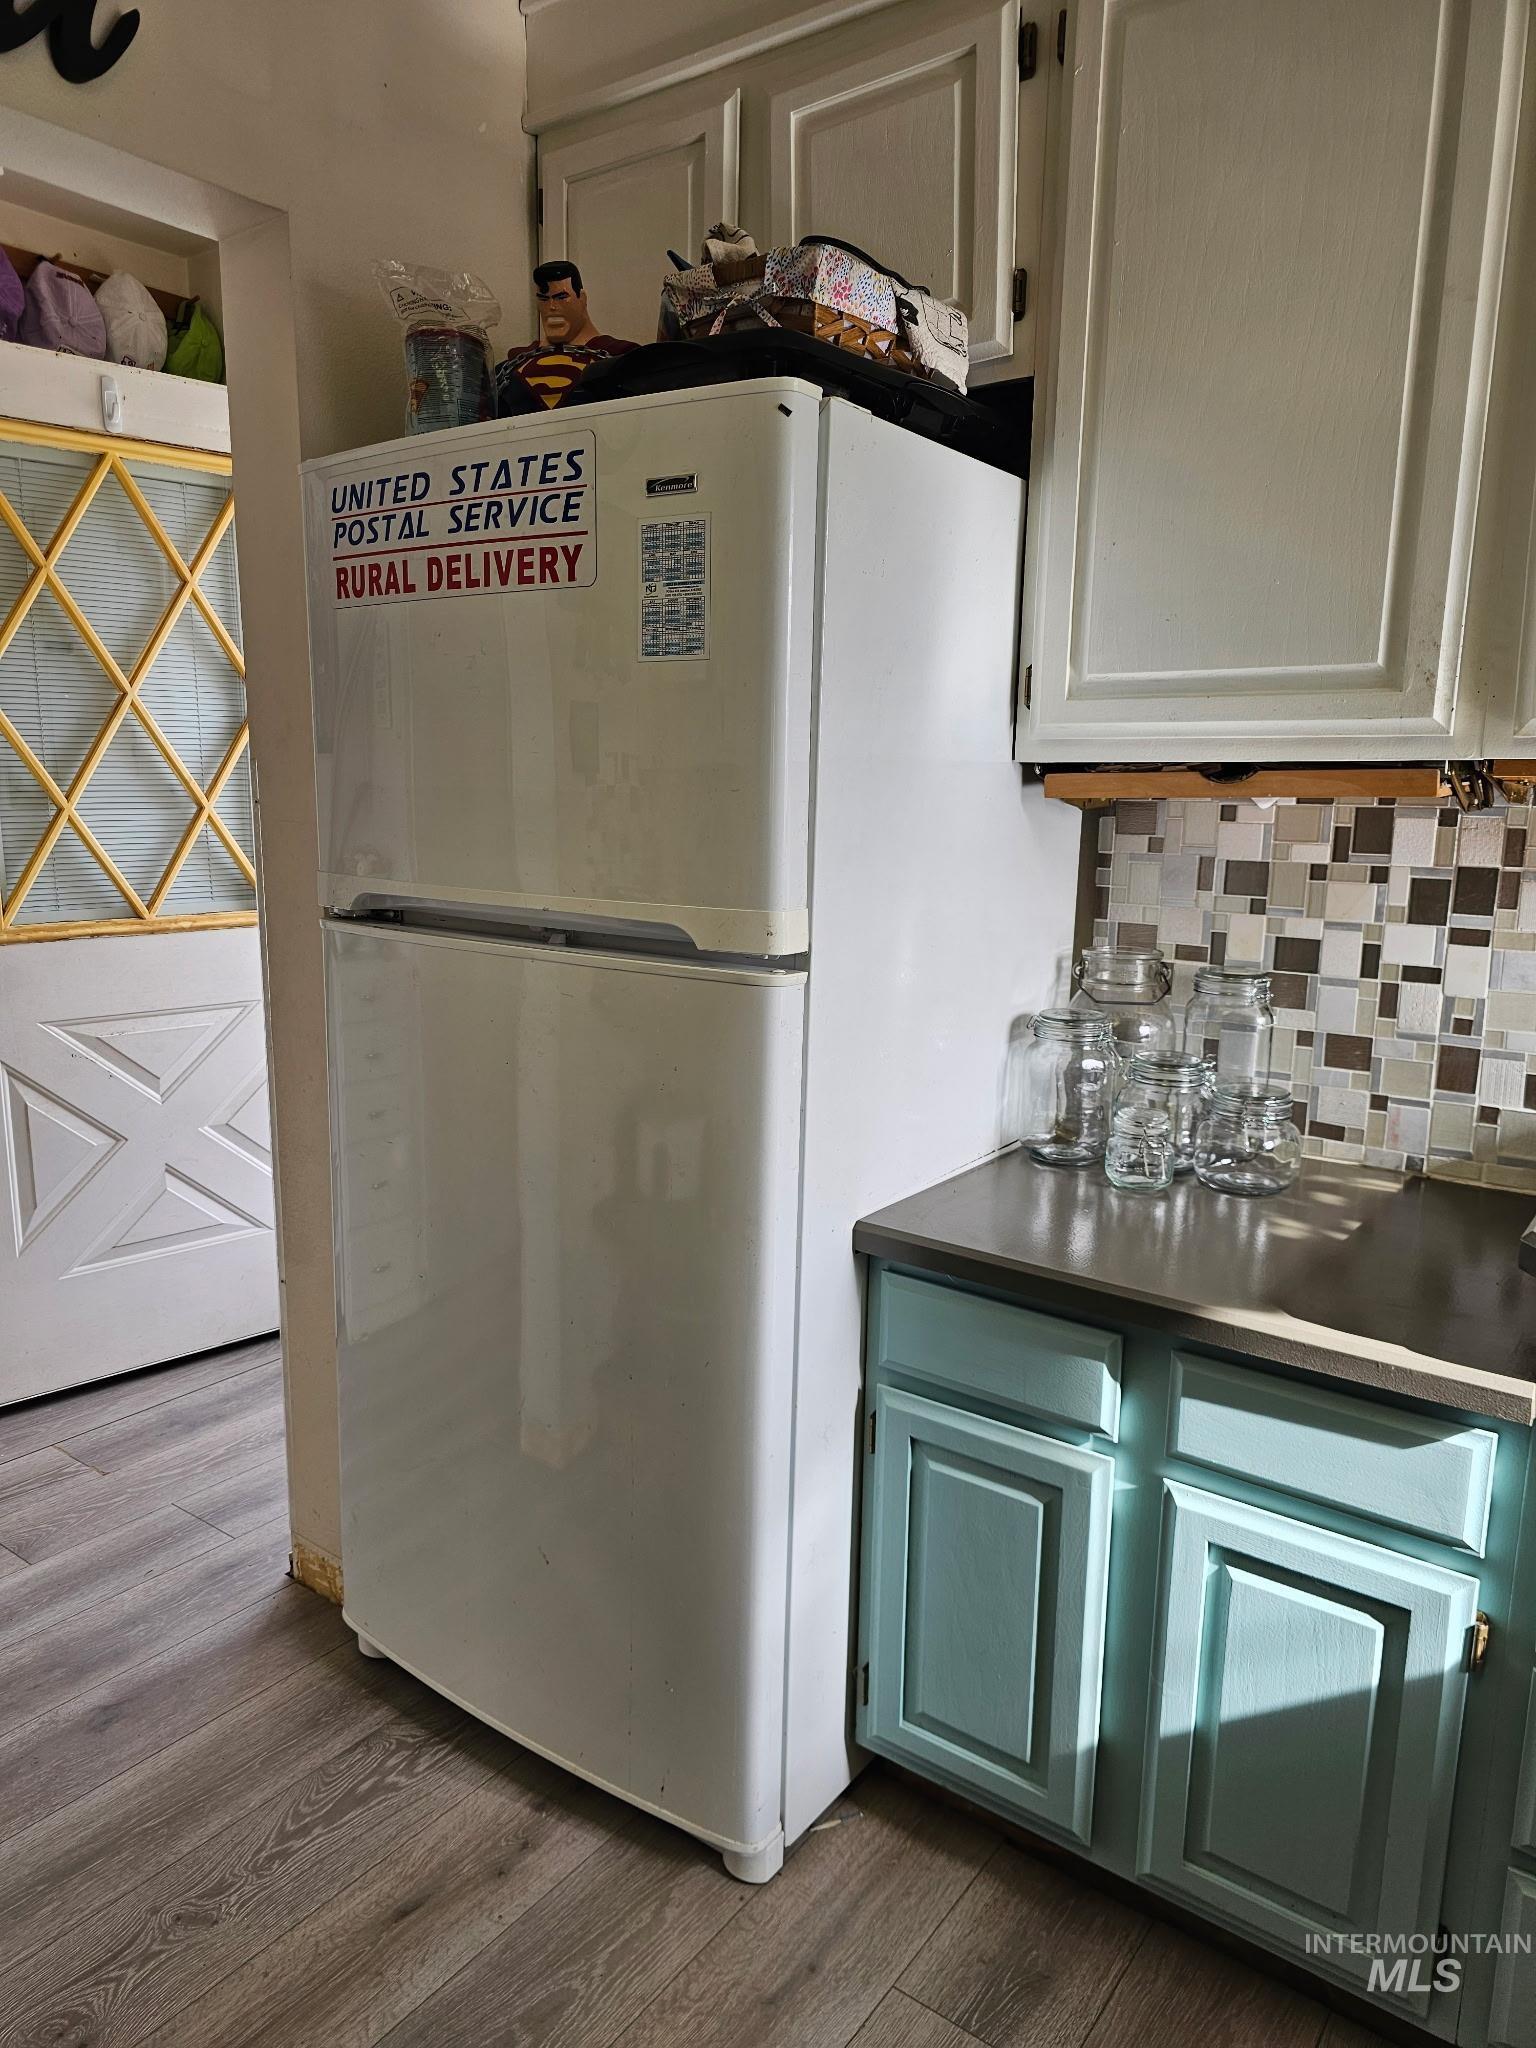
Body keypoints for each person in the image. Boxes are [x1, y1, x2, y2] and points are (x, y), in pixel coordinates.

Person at [497, 260, 637, 413]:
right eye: (544, 299)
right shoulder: (509, 367)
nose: (552, 306)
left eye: (561, 297)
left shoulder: (624, 356)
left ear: (582, 299)